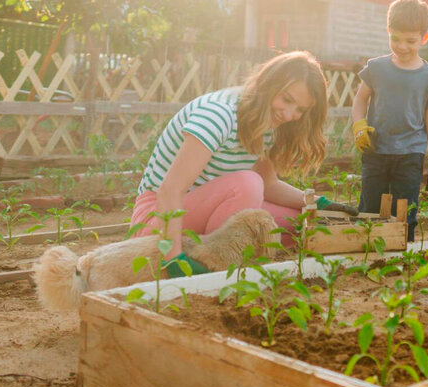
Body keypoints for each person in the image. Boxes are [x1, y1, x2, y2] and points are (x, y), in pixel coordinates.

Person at [131, 50, 332, 266]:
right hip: (157, 221)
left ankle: (218, 253)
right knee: (247, 184)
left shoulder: (268, 123)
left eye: (300, 109)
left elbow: (270, 185)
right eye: (286, 99)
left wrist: (318, 203)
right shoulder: (219, 115)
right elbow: (170, 191)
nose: (289, 114)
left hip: (206, 213)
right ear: (269, 84)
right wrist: (172, 260)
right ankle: (209, 262)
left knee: (299, 221)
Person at [351, 0, 428, 240]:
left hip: (410, 154)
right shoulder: (376, 68)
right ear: (388, 32)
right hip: (376, 149)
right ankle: (369, 254)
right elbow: (360, 99)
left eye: (411, 40)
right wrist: (359, 125)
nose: (402, 46)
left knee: (405, 211)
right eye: (395, 38)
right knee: (370, 209)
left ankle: (404, 256)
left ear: (424, 38)